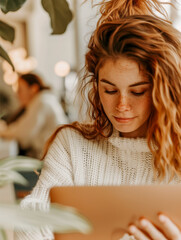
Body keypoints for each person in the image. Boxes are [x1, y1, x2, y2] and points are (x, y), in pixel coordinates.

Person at [16, 0, 181, 239]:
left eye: (138, 91)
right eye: (110, 90)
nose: (122, 106)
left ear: (163, 90)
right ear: (96, 86)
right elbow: (30, 225)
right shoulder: (72, 145)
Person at [0, 73, 68, 159]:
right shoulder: (44, 99)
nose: (17, 94)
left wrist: (2, 132)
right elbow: (23, 126)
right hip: (49, 156)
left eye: (20, 90)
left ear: (33, 89)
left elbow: (23, 135)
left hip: (47, 160)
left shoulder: (42, 102)